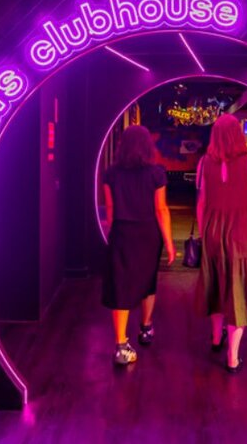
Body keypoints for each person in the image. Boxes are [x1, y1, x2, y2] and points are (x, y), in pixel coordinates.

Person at [195, 114, 247, 373]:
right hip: (243, 233)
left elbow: (202, 203)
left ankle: (216, 339)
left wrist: (205, 232)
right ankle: (232, 357)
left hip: (214, 232)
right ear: (238, 135)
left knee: (217, 284)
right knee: (238, 290)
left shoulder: (204, 163)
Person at [102, 125, 175, 366]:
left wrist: (114, 231)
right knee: (148, 281)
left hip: (122, 232)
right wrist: (169, 242)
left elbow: (110, 210)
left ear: (122, 145)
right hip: (148, 234)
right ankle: (145, 329)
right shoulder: (156, 173)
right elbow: (161, 209)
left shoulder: (111, 174)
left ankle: (121, 345)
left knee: (120, 286)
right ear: (147, 146)